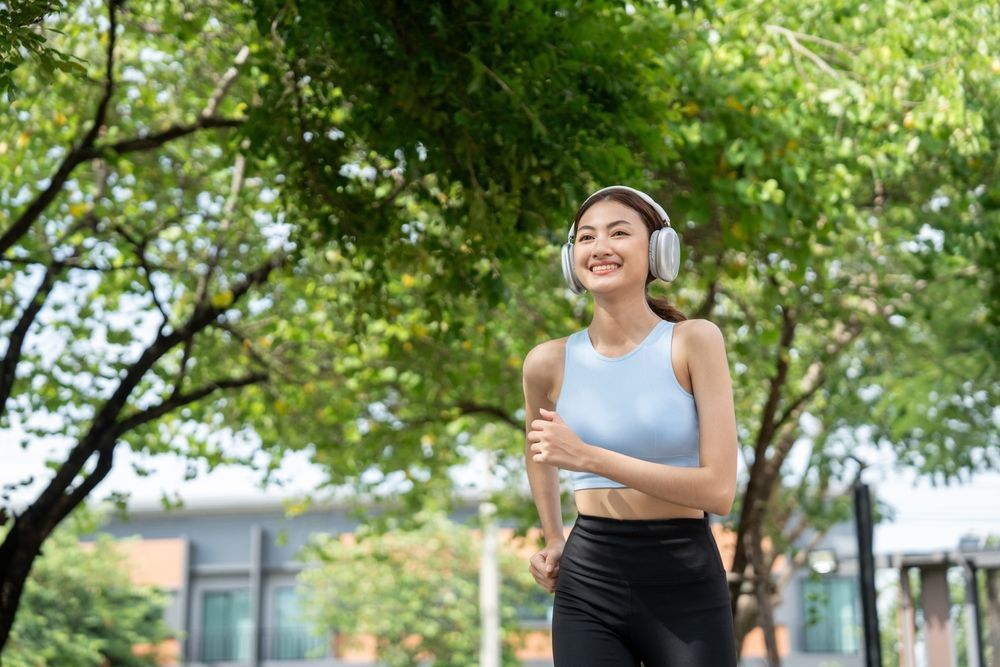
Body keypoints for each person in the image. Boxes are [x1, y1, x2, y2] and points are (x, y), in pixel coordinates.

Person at [521, 185, 739, 665]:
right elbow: (538, 452)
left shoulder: (694, 342)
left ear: (658, 250)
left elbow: (719, 491)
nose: (600, 247)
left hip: (685, 578)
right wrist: (554, 539)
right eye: (586, 237)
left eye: (619, 233)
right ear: (570, 257)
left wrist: (588, 458)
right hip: (588, 577)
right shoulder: (546, 363)